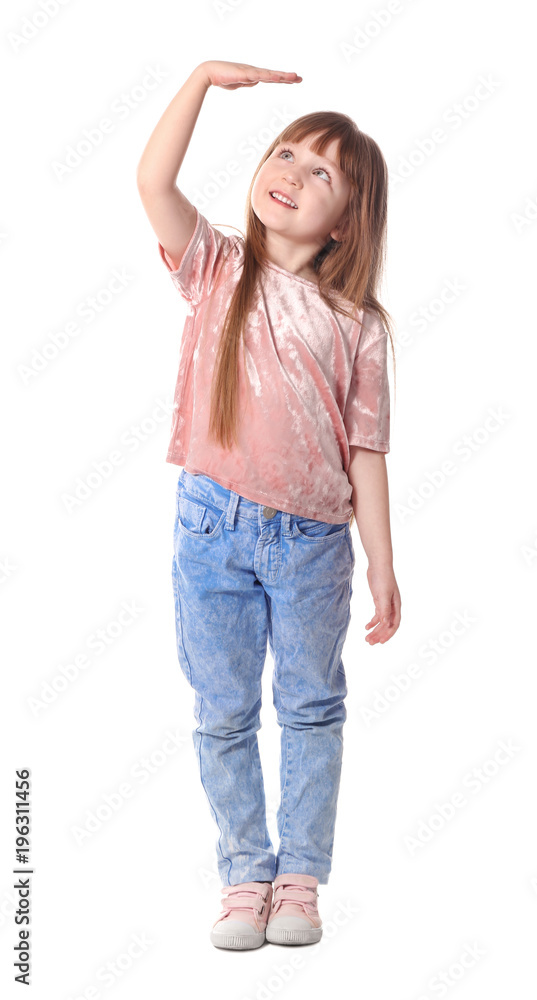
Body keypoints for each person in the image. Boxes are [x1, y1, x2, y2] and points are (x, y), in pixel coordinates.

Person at [136, 59, 402, 951]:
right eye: (285, 153)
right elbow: (153, 180)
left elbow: (364, 451)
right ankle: (244, 873)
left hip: (313, 544)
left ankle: (300, 880)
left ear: (348, 220)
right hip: (209, 529)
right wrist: (201, 82)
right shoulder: (215, 267)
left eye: (321, 171)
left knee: (311, 707)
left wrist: (383, 562)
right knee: (221, 710)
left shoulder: (357, 324)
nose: (290, 172)